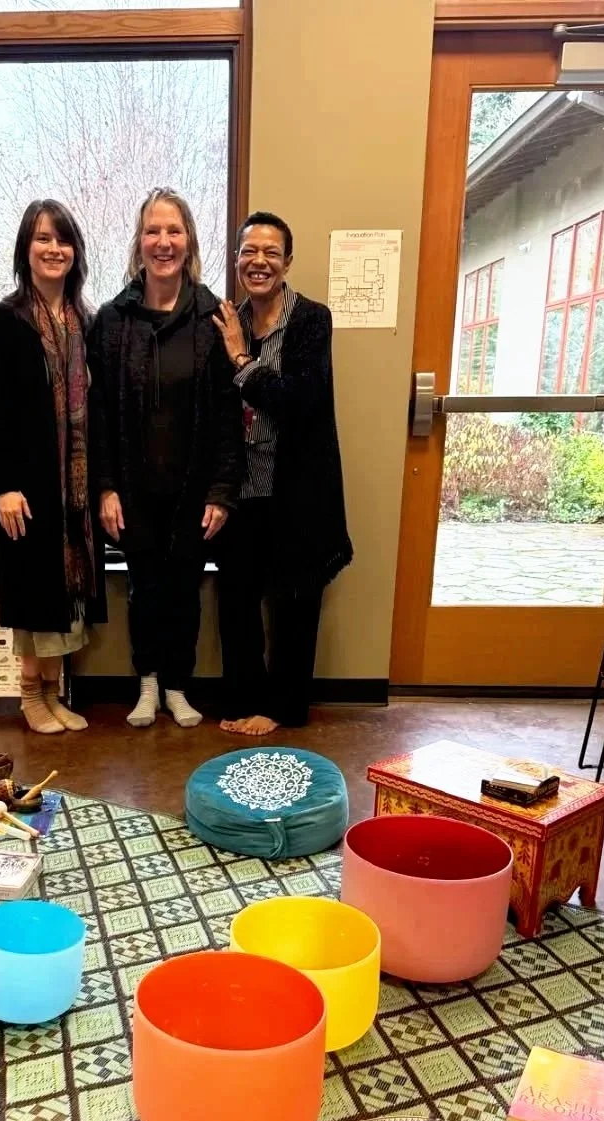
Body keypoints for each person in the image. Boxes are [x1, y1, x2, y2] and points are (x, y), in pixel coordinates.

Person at [88, 187, 242, 728]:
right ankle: (148, 685)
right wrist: (105, 487)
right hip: (133, 489)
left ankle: (178, 686)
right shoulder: (113, 320)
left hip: (193, 492)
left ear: (189, 242)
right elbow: (98, 413)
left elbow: (228, 415)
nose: (163, 241)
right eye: (153, 231)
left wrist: (222, 491)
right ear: (139, 242)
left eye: (173, 231)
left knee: (184, 593)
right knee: (144, 591)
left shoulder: (213, 318)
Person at [212, 211, 352, 735]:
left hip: (298, 487)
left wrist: (241, 360)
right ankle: (243, 699)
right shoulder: (228, 321)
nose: (259, 261)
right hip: (240, 485)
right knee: (237, 600)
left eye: (271, 252)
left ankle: (283, 707)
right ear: (236, 260)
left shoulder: (312, 320)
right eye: (249, 251)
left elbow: (300, 400)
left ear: (287, 262)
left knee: (295, 601)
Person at [0, 199, 103, 735]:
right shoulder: (6, 321)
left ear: (76, 251)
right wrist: (4, 484)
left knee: (65, 598)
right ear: (25, 249)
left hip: (73, 488)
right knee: (34, 598)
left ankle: (53, 694)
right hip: (26, 487)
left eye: (63, 239)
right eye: (42, 238)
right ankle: (30, 696)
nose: (54, 249)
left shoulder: (83, 321)